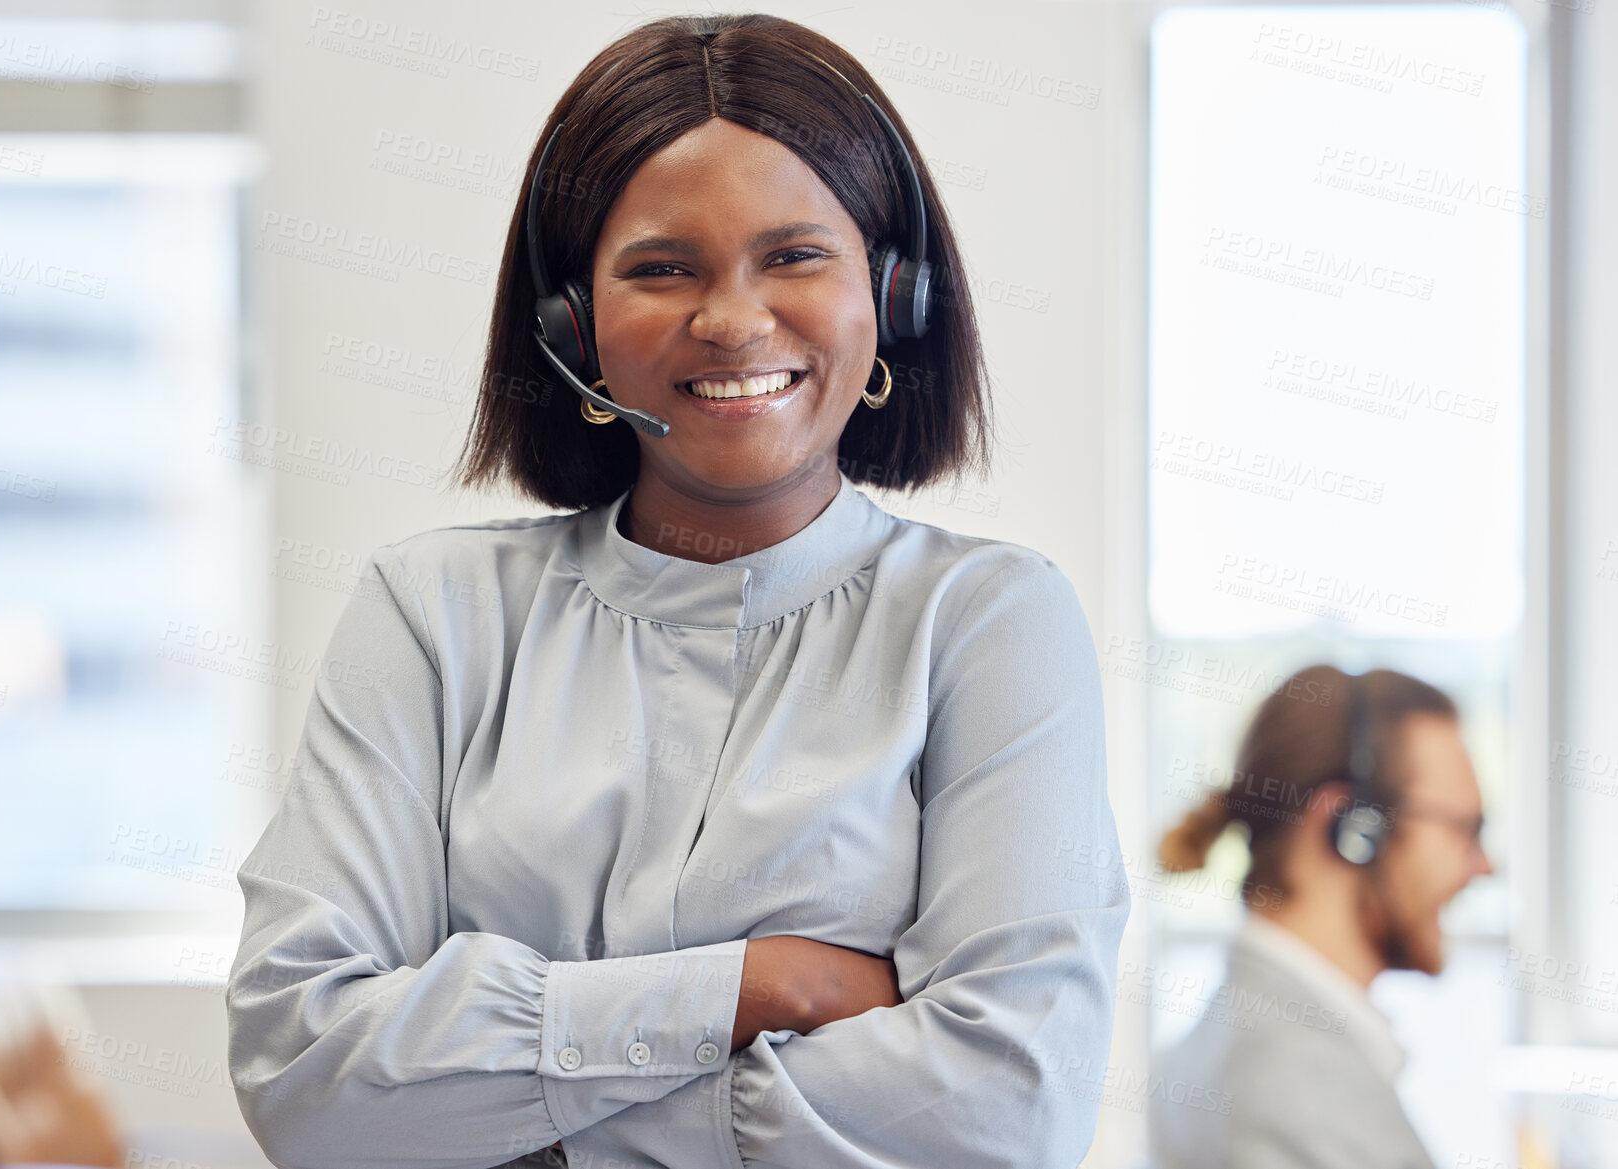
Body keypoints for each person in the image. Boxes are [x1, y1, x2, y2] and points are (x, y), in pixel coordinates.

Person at [224, 13, 1128, 1169]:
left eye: (795, 255)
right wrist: (760, 988)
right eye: (662, 268)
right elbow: (304, 1075)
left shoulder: (991, 623)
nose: (734, 320)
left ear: (891, 293)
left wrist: (527, 1115)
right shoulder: (431, 610)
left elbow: (1009, 1108)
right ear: (570, 326)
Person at [1147, 665, 1495, 1169]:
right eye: (1466, 828)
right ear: (1352, 828)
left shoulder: (1214, 1047)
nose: (1484, 865)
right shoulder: (1302, 1105)